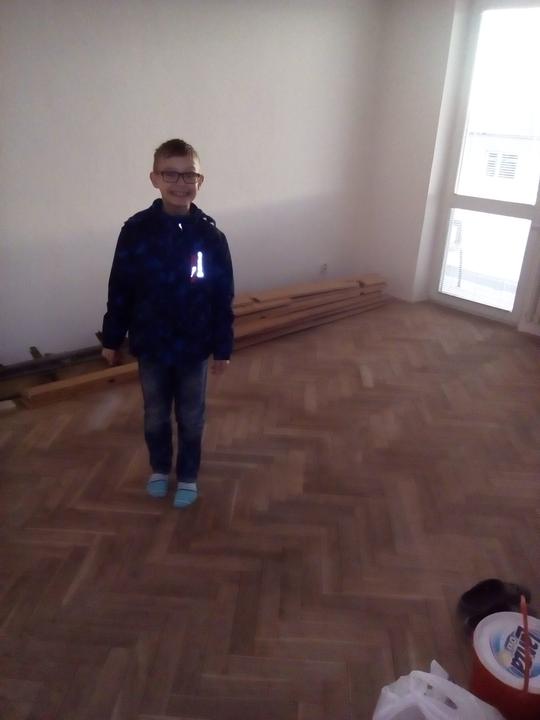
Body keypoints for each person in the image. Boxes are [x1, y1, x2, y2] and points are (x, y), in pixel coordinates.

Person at [101, 139, 234, 508]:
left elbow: (222, 295)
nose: (180, 183)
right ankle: (160, 468)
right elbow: (120, 287)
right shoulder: (136, 231)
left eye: (189, 175)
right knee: (156, 414)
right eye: (171, 174)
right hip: (152, 343)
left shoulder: (210, 236)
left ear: (200, 180)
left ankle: (188, 475)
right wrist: (112, 337)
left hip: (194, 344)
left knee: (191, 415)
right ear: (155, 179)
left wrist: (222, 345)